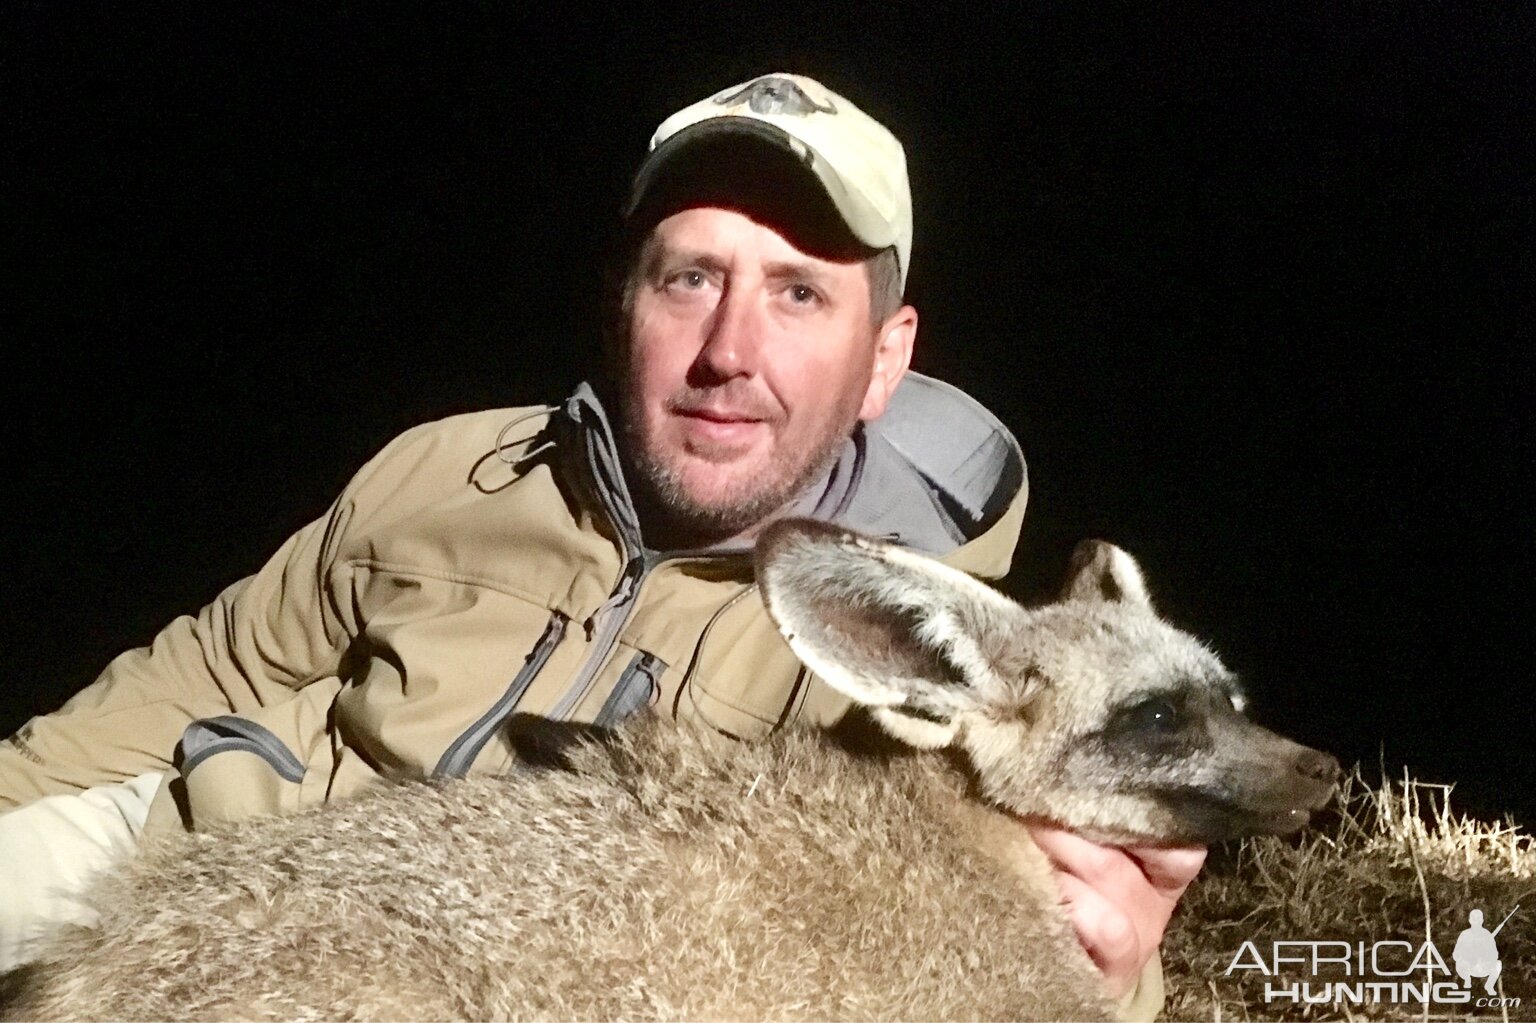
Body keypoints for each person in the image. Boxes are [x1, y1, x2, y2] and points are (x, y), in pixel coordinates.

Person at [0, 73, 1204, 1017]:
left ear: (886, 353)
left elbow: (1029, 915)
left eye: (797, 293)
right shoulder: (447, 467)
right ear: (622, 298)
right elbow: (201, 674)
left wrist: (1114, 958)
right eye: (690, 278)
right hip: (203, 853)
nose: (728, 349)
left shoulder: (933, 655)